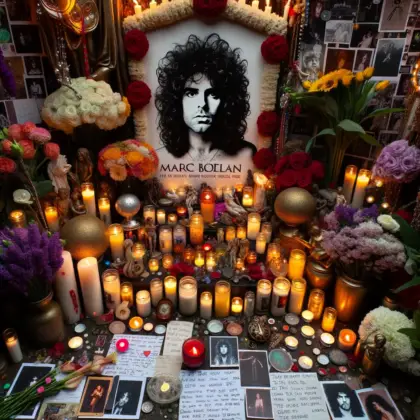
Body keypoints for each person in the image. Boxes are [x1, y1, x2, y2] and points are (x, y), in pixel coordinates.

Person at [155, 34, 256, 162]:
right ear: (176, 101)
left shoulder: (247, 153)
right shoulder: (160, 158)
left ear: (227, 102)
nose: (203, 104)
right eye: (191, 94)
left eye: (213, 94)